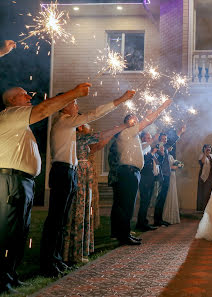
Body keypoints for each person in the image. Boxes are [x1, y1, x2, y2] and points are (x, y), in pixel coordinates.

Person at [0, 83, 91, 294]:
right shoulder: (10, 114)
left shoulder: (20, 124)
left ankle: (10, 274)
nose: (29, 97)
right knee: (8, 231)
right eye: (24, 95)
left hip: (23, 182)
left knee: (20, 231)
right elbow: (43, 109)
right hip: (11, 181)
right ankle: (2, 278)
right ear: (12, 101)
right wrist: (73, 93)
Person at [40, 90, 135, 277]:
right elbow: (94, 114)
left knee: (62, 221)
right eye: (74, 103)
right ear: (64, 106)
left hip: (70, 171)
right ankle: (48, 261)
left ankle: (56, 258)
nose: (77, 106)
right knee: (56, 220)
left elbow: (97, 137)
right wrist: (120, 100)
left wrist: (122, 125)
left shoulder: (70, 126)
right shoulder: (64, 122)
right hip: (62, 171)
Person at [63, 122, 131, 264]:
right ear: (80, 127)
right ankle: (74, 252)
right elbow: (99, 140)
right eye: (88, 128)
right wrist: (121, 127)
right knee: (79, 212)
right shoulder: (80, 138)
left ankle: (80, 249)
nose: (91, 130)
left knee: (85, 211)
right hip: (80, 176)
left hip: (84, 176)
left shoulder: (80, 139)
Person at [110, 100, 172, 245]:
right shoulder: (126, 132)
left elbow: (145, 141)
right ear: (129, 122)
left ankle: (123, 233)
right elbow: (147, 122)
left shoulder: (132, 136)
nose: (138, 123)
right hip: (128, 171)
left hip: (131, 172)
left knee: (127, 204)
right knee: (126, 205)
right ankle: (123, 235)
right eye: (136, 120)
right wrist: (162, 107)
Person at [154, 126, 186, 227]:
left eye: (166, 139)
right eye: (163, 139)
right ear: (159, 140)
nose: (165, 140)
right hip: (161, 176)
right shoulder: (158, 148)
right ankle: (157, 220)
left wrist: (180, 132)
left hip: (167, 175)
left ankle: (159, 219)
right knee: (160, 198)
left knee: (163, 198)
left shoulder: (165, 148)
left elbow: (172, 142)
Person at [135, 132, 159, 231]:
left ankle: (144, 222)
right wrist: (155, 138)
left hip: (150, 177)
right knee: (144, 201)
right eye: (147, 137)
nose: (149, 139)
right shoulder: (142, 146)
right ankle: (140, 224)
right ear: (143, 138)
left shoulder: (148, 147)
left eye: (150, 137)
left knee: (147, 201)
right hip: (144, 177)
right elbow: (144, 159)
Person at [162, 148, 181, 224]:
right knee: (168, 194)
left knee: (172, 193)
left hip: (173, 175)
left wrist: (179, 165)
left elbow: (175, 163)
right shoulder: (163, 156)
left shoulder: (170, 156)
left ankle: (172, 215)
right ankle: (165, 216)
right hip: (167, 176)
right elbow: (162, 167)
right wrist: (172, 168)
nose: (171, 148)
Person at [197, 144, 212, 212]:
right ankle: (203, 208)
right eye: (207, 148)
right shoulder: (202, 155)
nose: (208, 149)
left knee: (210, 192)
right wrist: (205, 153)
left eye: (209, 148)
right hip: (204, 176)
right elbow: (202, 162)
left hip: (211, 176)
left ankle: (209, 209)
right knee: (204, 192)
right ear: (204, 149)